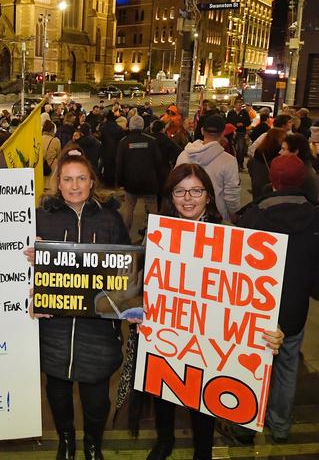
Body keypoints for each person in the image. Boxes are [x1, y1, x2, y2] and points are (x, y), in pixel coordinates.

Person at [145, 165, 284, 460]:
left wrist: (271, 329)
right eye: (180, 191)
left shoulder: (231, 238)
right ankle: (164, 441)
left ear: (209, 196)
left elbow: (251, 295)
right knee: (162, 393)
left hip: (208, 339)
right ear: (171, 196)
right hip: (168, 333)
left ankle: (203, 451)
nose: (188, 198)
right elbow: (139, 284)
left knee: (204, 398)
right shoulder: (157, 237)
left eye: (196, 190)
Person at [31, 149, 131, 460]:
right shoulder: (39, 219)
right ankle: (66, 442)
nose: (75, 186)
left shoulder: (110, 219)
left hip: (98, 330)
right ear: (57, 183)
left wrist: (130, 302)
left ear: (92, 182)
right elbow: (16, 273)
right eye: (68, 179)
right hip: (54, 329)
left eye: (81, 179)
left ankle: (91, 444)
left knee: (96, 398)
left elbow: (128, 270)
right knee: (57, 393)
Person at [236, 154, 319, 443]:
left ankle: (246, 424)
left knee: (250, 366)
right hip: (294, 311)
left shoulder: (251, 217)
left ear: (272, 181)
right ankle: (280, 425)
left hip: (255, 310)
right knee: (288, 367)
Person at [176, 115, 241, 222]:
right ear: (223, 133)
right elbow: (231, 195)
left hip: (185, 212)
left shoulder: (184, 155)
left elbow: (175, 185)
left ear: (202, 131)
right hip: (215, 216)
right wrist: (234, 216)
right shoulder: (229, 161)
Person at [116, 115, 162, 231]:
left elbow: (119, 163)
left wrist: (120, 182)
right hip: (149, 182)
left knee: (129, 208)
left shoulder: (124, 142)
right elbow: (158, 162)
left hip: (131, 182)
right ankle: (155, 234)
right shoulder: (151, 141)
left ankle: (125, 236)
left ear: (130, 126)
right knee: (153, 210)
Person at [248, 128, 286, 201]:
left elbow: (251, 168)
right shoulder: (279, 154)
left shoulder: (258, 151)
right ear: (278, 139)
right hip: (271, 187)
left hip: (257, 185)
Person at [226, 99, 252, 170]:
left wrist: (243, 124)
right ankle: (231, 164)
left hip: (241, 132)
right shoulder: (231, 113)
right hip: (232, 133)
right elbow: (227, 122)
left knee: (240, 148)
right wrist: (234, 125)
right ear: (235, 105)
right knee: (231, 148)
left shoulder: (245, 113)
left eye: (240, 105)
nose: (239, 107)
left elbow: (248, 122)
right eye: (237, 105)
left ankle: (240, 163)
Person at [42, 120, 61, 195]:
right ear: (52, 130)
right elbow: (59, 155)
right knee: (51, 190)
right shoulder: (55, 141)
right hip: (52, 168)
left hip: (40, 168)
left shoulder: (38, 139)